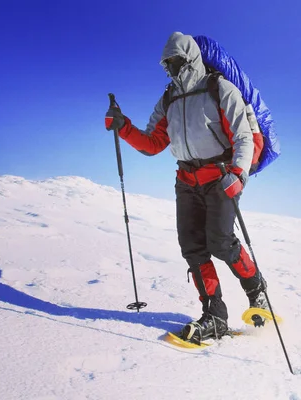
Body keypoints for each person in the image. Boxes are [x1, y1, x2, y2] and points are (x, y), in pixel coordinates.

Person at [104, 32, 267, 343]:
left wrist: (238, 175)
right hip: (186, 181)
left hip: (221, 177)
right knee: (193, 249)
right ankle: (215, 315)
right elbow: (153, 144)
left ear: (189, 59)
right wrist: (123, 126)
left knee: (220, 242)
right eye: (167, 65)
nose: (171, 69)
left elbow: (243, 138)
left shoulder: (220, 89)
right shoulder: (169, 99)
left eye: (175, 62)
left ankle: (256, 289)